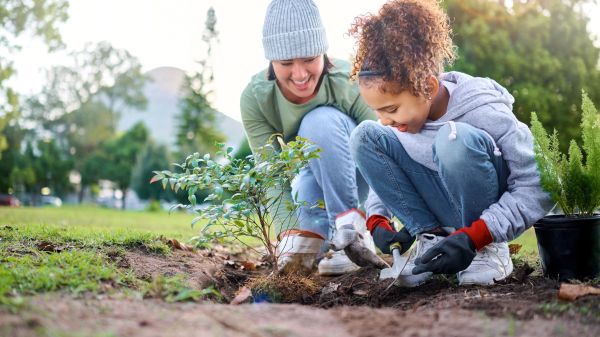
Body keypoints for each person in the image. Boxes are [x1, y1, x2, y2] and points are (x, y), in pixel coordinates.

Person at [347, 0, 553, 286]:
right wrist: (377, 219)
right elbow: (393, 167)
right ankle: (432, 241)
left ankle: (486, 251)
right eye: (378, 110)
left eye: (392, 109)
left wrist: (476, 236)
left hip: (483, 223)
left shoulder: (483, 109)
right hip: (440, 212)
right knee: (364, 135)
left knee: (453, 140)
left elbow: (541, 184)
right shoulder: (406, 120)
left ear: (429, 87)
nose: (385, 120)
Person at [240, 0, 383, 275]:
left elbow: (383, 150)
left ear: (323, 52)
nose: (300, 74)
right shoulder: (256, 98)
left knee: (318, 122)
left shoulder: (350, 80)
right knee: (306, 242)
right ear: (271, 60)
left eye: (309, 59)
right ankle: (331, 243)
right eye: (286, 63)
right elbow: (271, 174)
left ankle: (350, 230)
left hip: (360, 171)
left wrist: (376, 215)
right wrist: (287, 231)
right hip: (312, 175)